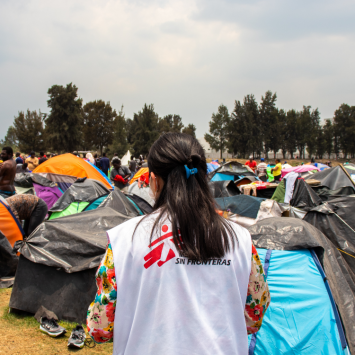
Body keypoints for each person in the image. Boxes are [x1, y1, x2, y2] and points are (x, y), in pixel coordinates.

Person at [87, 133, 270, 354]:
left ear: (154, 181)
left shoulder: (124, 239)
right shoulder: (240, 239)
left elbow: (100, 327)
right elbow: (254, 316)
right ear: (203, 177)